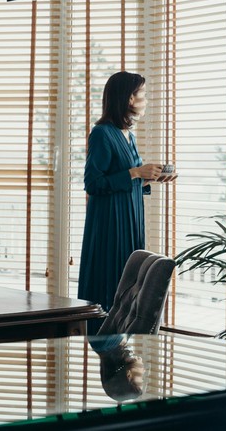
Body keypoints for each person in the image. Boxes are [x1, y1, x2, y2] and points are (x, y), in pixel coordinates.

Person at [78, 71, 175, 328]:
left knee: (129, 280)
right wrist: (135, 172)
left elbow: (127, 179)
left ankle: (123, 343)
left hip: (131, 217)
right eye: (141, 94)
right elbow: (93, 183)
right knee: (110, 281)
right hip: (110, 223)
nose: (144, 99)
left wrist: (149, 178)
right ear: (129, 98)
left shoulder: (128, 136)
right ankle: (101, 342)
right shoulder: (102, 133)